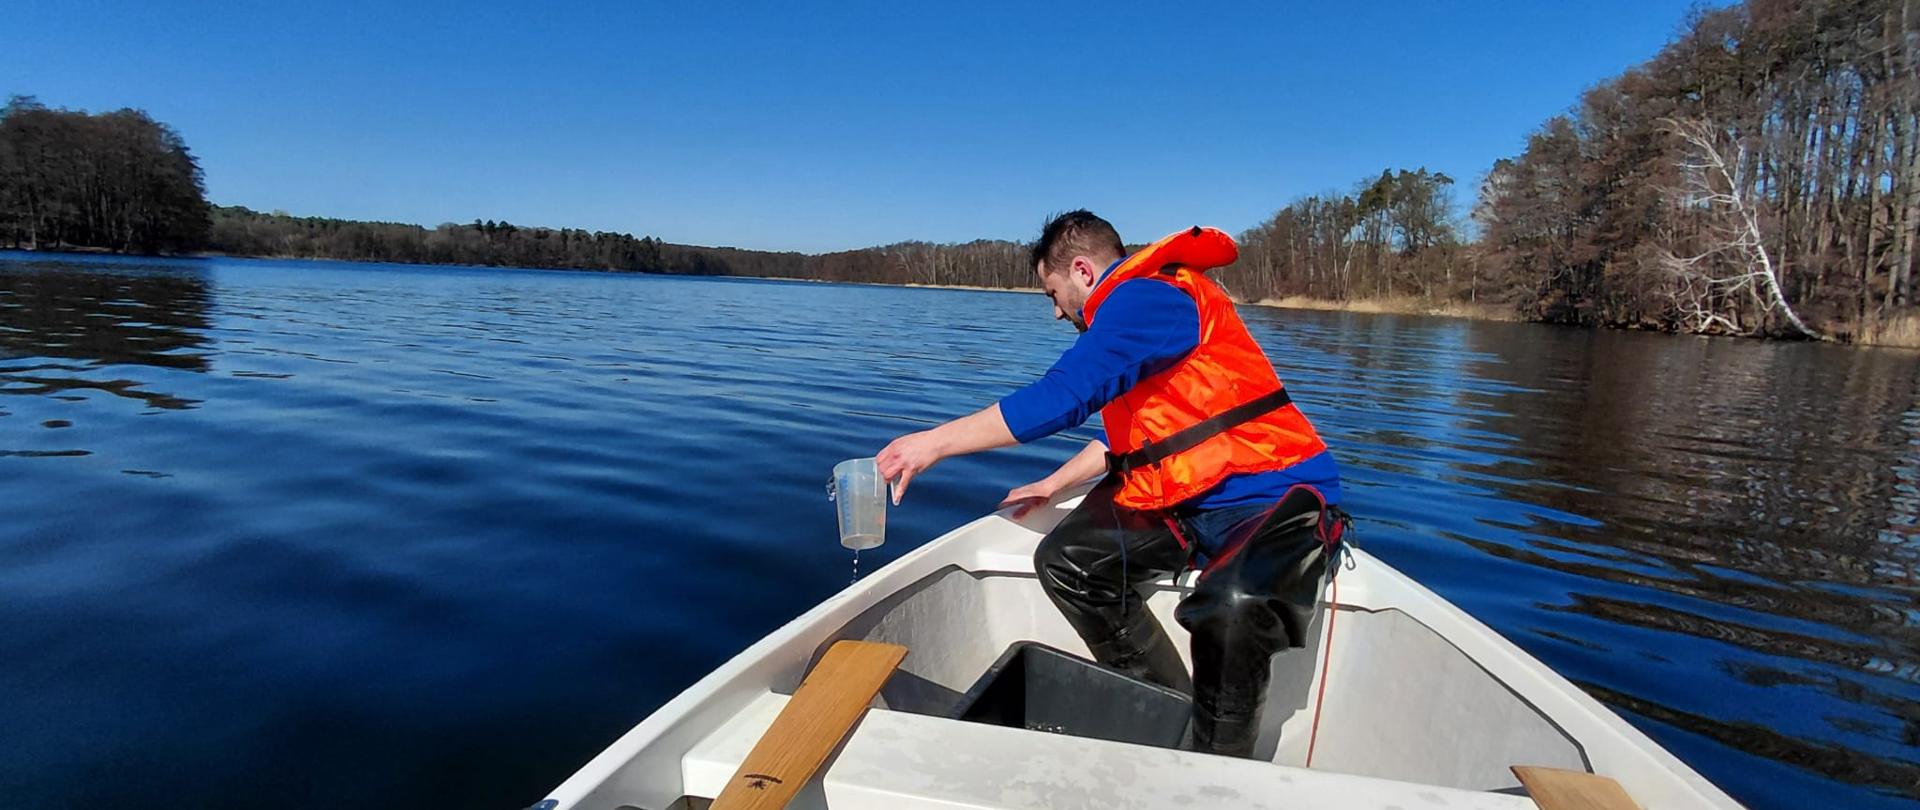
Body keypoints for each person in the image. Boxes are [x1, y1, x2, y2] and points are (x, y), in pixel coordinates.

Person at [875, 210, 1346, 758]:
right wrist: (1053, 483)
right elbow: (1131, 442)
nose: (1056, 312)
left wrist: (932, 442)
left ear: (1081, 270)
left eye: (1053, 294)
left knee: (1233, 606)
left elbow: (1062, 397)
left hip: (1272, 496)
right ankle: (1173, 711)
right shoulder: (1130, 320)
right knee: (1069, 563)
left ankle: (1218, 768)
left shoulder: (1150, 298)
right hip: (1185, 500)